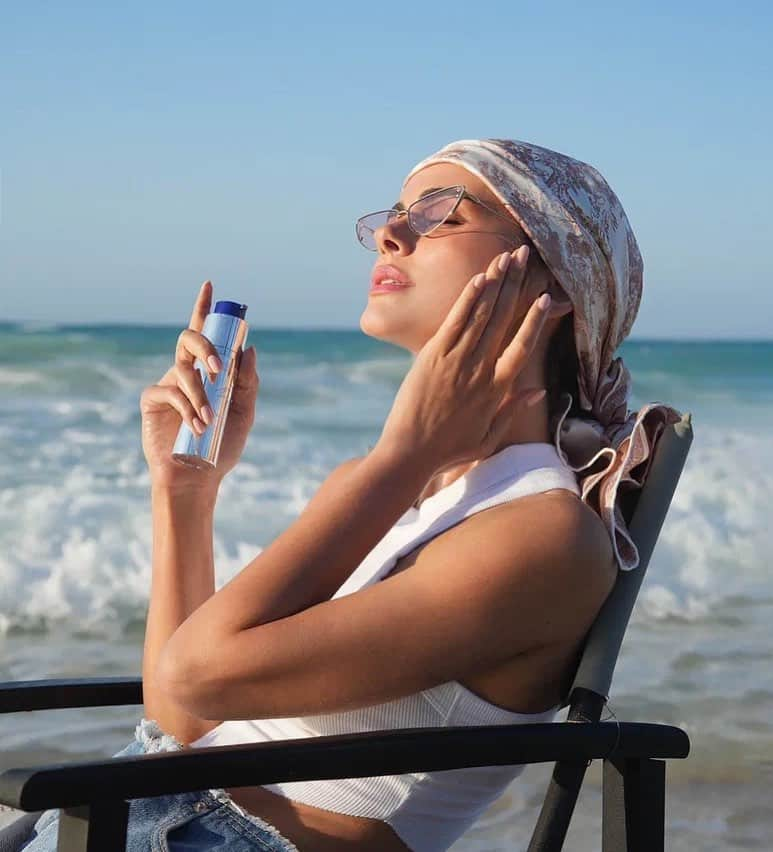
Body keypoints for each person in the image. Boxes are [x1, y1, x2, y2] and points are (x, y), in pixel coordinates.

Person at [20, 139, 681, 852]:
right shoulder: (383, 486)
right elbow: (177, 721)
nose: (392, 233)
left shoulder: (543, 535)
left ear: (552, 283)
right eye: (395, 214)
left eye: (442, 215)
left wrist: (405, 454)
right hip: (125, 806)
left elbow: (194, 678)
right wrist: (185, 492)